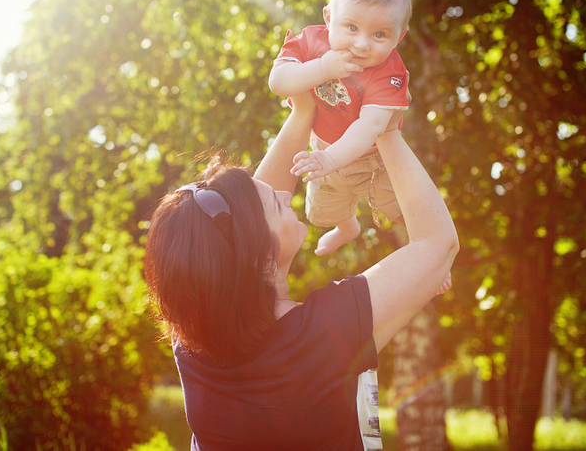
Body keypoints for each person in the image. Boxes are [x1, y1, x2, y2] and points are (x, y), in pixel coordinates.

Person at [143, 92, 459, 450]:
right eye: (276, 204)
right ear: (263, 262)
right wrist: (384, 124)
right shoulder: (327, 333)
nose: (284, 194)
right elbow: (439, 243)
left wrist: (304, 111)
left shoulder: (193, 334)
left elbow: (236, 238)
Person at [268, 0, 412, 257]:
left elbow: (370, 126)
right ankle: (347, 228)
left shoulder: (389, 73)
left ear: (399, 36)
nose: (362, 44)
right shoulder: (312, 41)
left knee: (404, 209)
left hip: (372, 159)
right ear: (329, 17)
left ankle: (434, 250)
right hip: (322, 145)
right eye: (351, 27)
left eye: (379, 34)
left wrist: (330, 159)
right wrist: (322, 67)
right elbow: (279, 82)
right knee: (325, 208)